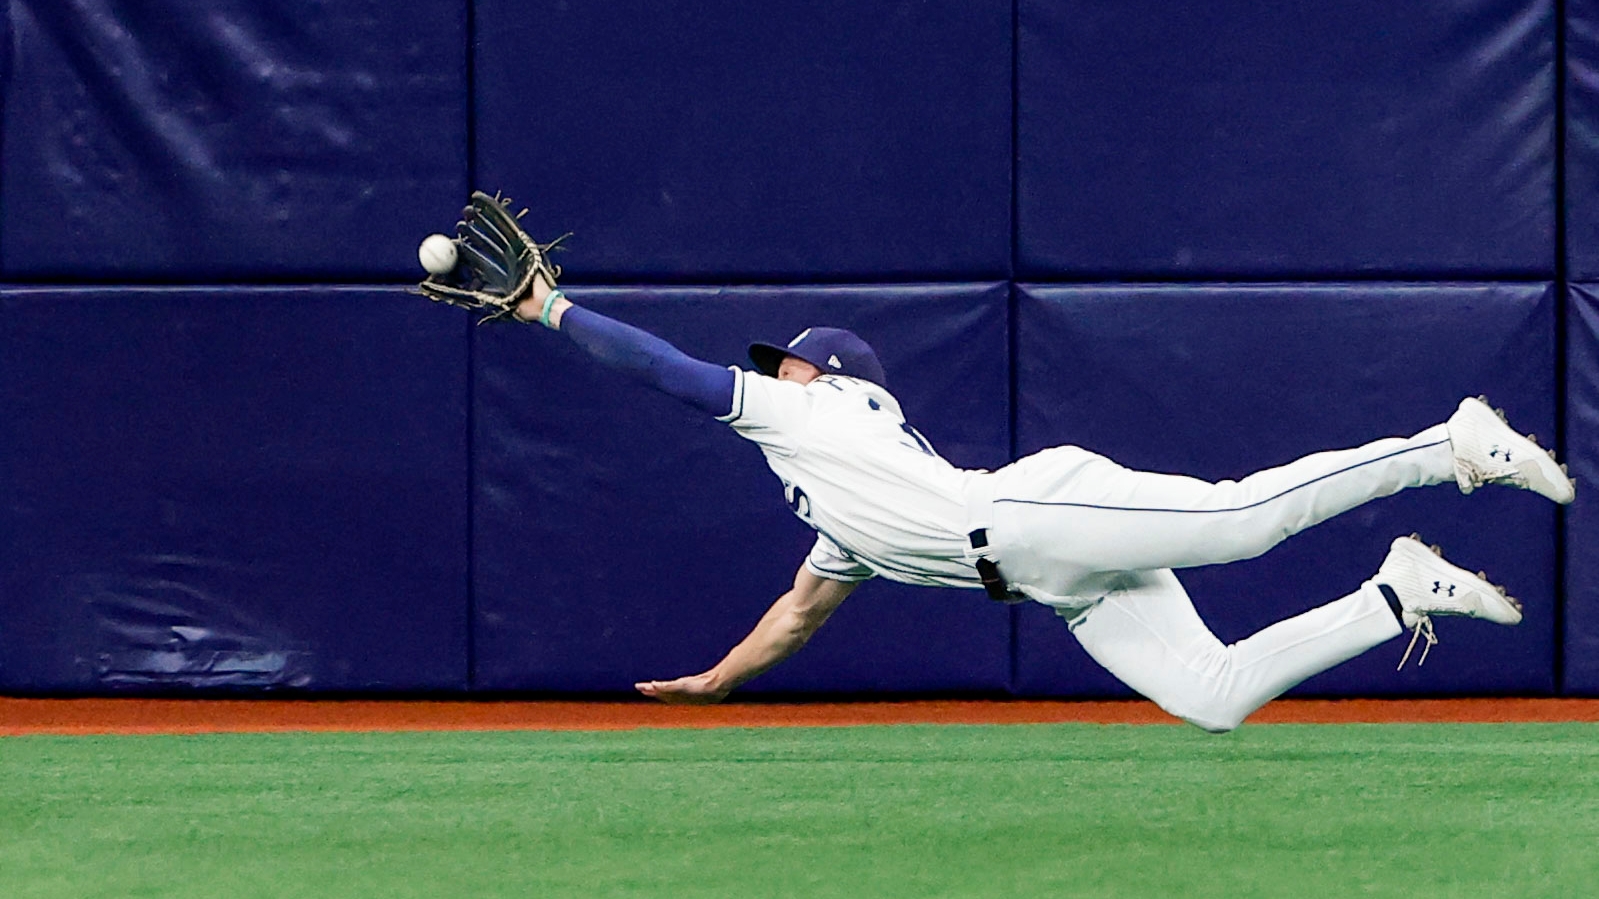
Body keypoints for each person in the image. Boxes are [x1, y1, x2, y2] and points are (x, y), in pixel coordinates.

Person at [507, 276, 1574, 733]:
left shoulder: (818, 412)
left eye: (784, 362)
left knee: (1245, 517)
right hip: (1051, 578)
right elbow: (798, 613)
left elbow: (667, 371)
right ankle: (1396, 592)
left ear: (827, 375)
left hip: (1027, 518)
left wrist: (552, 309)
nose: (772, 369)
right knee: (1212, 695)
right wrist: (716, 681)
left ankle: (1447, 442)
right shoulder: (840, 502)